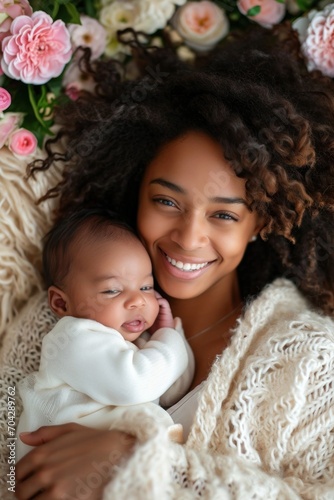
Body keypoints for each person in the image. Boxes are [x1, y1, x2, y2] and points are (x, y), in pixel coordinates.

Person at [14, 26, 334, 500]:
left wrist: (138, 461)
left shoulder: (310, 359)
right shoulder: (55, 313)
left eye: (224, 214)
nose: (188, 237)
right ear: (134, 190)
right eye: (166, 201)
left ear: (263, 222)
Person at [16, 208, 193, 460]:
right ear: (61, 304)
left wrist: (168, 333)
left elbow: (173, 389)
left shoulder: (134, 345)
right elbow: (138, 383)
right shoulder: (73, 339)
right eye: (112, 290)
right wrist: (166, 338)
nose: (137, 301)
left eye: (146, 287)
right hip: (64, 466)